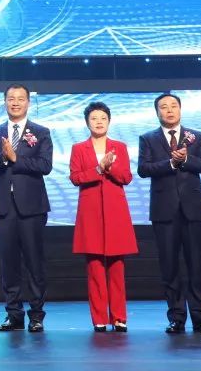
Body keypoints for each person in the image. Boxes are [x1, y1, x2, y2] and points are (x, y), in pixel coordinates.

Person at [138, 92, 201, 334]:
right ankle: (176, 317)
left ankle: (200, 317)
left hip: (193, 210)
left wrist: (186, 159)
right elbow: (143, 169)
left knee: (197, 265)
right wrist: (171, 164)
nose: (169, 110)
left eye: (173, 105)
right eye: (164, 107)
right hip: (164, 212)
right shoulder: (148, 139)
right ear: (157, 112)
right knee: (170, 266)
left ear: (180, 110)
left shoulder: (196, 136)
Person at [0, 83, 53, 332]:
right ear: (5, 102)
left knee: (34, 263)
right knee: (8, 263)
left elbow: (45, 165)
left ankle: (36, 315)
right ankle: (14, 314)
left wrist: (15, 159)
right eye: (11, 98)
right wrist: (2, 157)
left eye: (21, 98)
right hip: (3, 206)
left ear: (28, 102)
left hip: (32, 207)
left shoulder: (41, 132)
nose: (16, 103)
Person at [68, 101, 138, 332]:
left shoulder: (120, 147)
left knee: (117, 267)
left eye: (103, 118)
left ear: (109, 121)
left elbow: (126, 177)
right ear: (87, 122)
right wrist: (98, 169)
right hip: (90, 212)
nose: (99, 122)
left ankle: (119, 317)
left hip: (116, 211)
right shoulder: (79, 148)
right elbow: (76, 177)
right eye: (94, 118)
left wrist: (109, 167)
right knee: (95, 267)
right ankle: (99, 318)